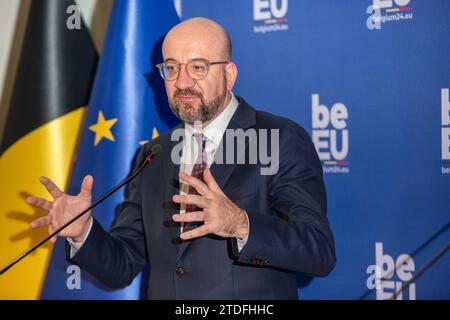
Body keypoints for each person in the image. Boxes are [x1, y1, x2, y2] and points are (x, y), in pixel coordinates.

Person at [27, 18, 336, 299]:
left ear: (229, 74)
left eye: (198, 67)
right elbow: (123, 264)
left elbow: (317, 251)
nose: (183, 82)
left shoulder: (278, 138)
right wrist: (83, 231)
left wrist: (241, 224)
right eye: (171, 68)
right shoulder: (154, 154)